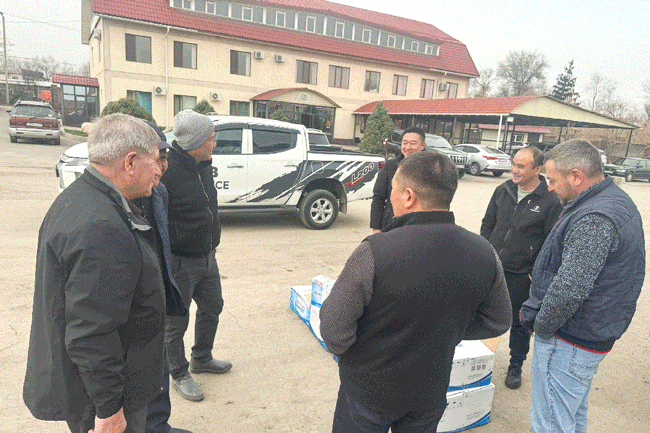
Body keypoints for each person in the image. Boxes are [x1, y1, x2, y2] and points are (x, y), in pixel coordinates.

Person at [320, 151, 512, 433]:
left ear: (408, 196)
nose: (390, 198)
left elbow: (335, 332)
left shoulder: (374, 252)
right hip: (429, 390)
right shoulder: (485, 252)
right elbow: (498, 320)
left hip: (368, 389)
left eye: (393, 190)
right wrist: (447, 331)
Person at [23, 113, 166, 433]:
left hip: (94, 386)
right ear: (130, 162)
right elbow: (92, 332)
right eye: (155, 160)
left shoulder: (80, 198)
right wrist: (109, 408)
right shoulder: (101, 226)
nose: (159, 170)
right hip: (104, 397)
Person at [520, 139, 645, 433]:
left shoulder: (594, 218)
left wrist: (543, 326)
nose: (549, 188)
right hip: (588, 334)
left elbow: (570, 288)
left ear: (576, 176)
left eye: (552, 180)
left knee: (551, 424)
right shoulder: (611, 199)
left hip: (569, 339)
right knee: (570, 416)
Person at [162, 109, 232, 403]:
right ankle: (179, 373)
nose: (214, 144)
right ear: (195, 143)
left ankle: (202, 358)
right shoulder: (167, 171)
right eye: (211, 139)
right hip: (180, 262)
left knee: (213, 306)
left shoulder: (202, 164)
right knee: (176, 322)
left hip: (207, 256)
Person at [480, 146, 562, 389]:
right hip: (494, 268)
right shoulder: (503, 190)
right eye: (513, 164)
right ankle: (475, 362)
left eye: (521, 166)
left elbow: (551, 242)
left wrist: (533, 272)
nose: (514, 170)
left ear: (538, 169)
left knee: (520, 323)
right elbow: (488, 225)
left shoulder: (550, 200)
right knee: (480, 315)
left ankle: (516, 364)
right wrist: (484, 255)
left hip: (521, 275)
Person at [134, 123, 191, 433]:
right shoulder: (113, 203)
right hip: (132, 303)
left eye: (164, 158)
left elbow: (161, 240)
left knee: (159, 366)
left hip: (156, 294)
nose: (161, 168)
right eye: (155, 159)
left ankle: (159, 425)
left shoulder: (159, 192)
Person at [370, 126, 426, 233]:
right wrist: (376, 228)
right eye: (405, 143)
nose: (408, 147)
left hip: (420, 226)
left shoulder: (431, 168)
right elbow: (378, 198)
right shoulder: (390, 166)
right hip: (392, 224)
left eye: (413, 143)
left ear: (423, 145)